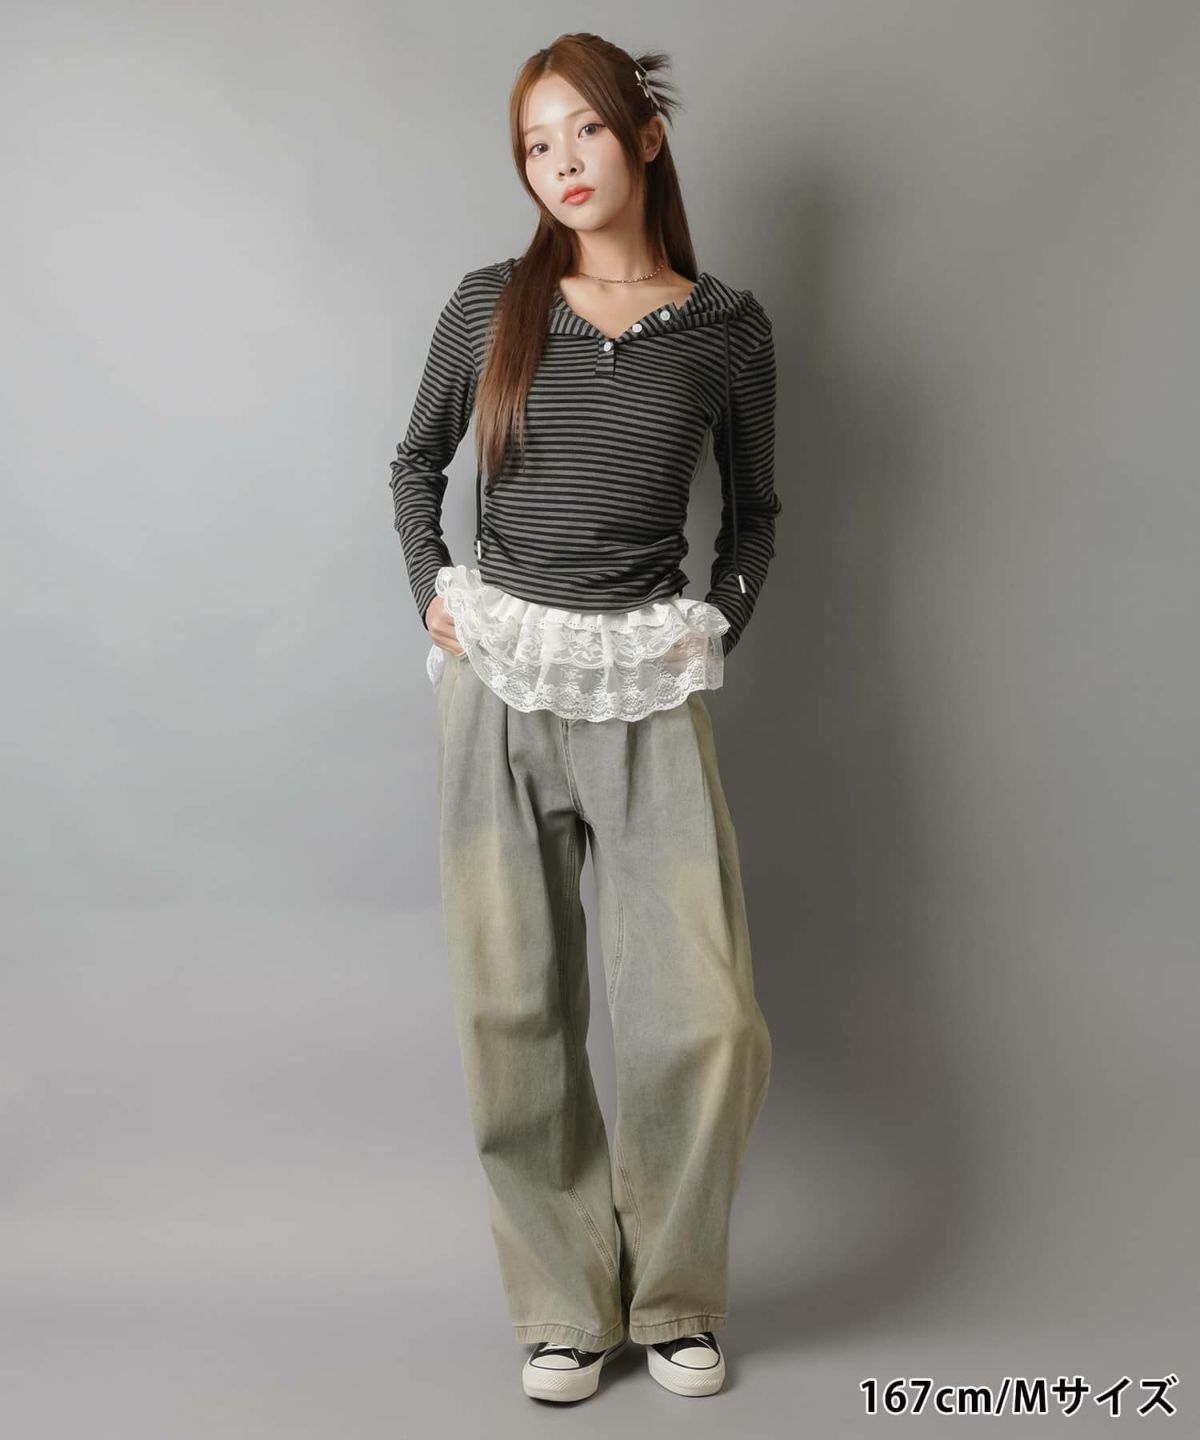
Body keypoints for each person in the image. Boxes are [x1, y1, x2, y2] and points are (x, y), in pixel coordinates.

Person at [388, 32, 779, 1403]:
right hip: (499, 680)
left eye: (585, 132)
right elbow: (415, 465)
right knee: (514, 1010)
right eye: (535, 145)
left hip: (646, 689)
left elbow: (756, 513)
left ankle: (674, 1297)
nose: (560, 163)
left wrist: (717, 620)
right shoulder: (489, 305)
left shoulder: (726, 326)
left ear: (645, 138)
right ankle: (563, 1307)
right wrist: (433, 589)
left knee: (704, 1019)